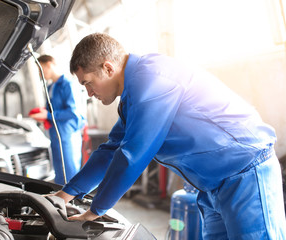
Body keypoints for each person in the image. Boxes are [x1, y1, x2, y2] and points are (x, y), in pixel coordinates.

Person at [54, 33, 286, 239]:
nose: (89, 93)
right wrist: (64, 195)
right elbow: (110, 150)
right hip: (212, 185)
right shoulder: (133, 93)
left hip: (244, 173)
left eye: (88, 83)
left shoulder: (151, 79)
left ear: (108, 68)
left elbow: (132, 154)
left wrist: (95, 211)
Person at [29, 55, 85, 185]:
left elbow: (73, 113)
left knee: (70, 175)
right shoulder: (50, 87)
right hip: (55, 135)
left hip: (67, 136)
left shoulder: (68, 84)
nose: (39, 73)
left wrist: (47, 115)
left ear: (49, 64)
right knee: (59, 175)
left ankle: (72, 203)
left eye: (40, 69)